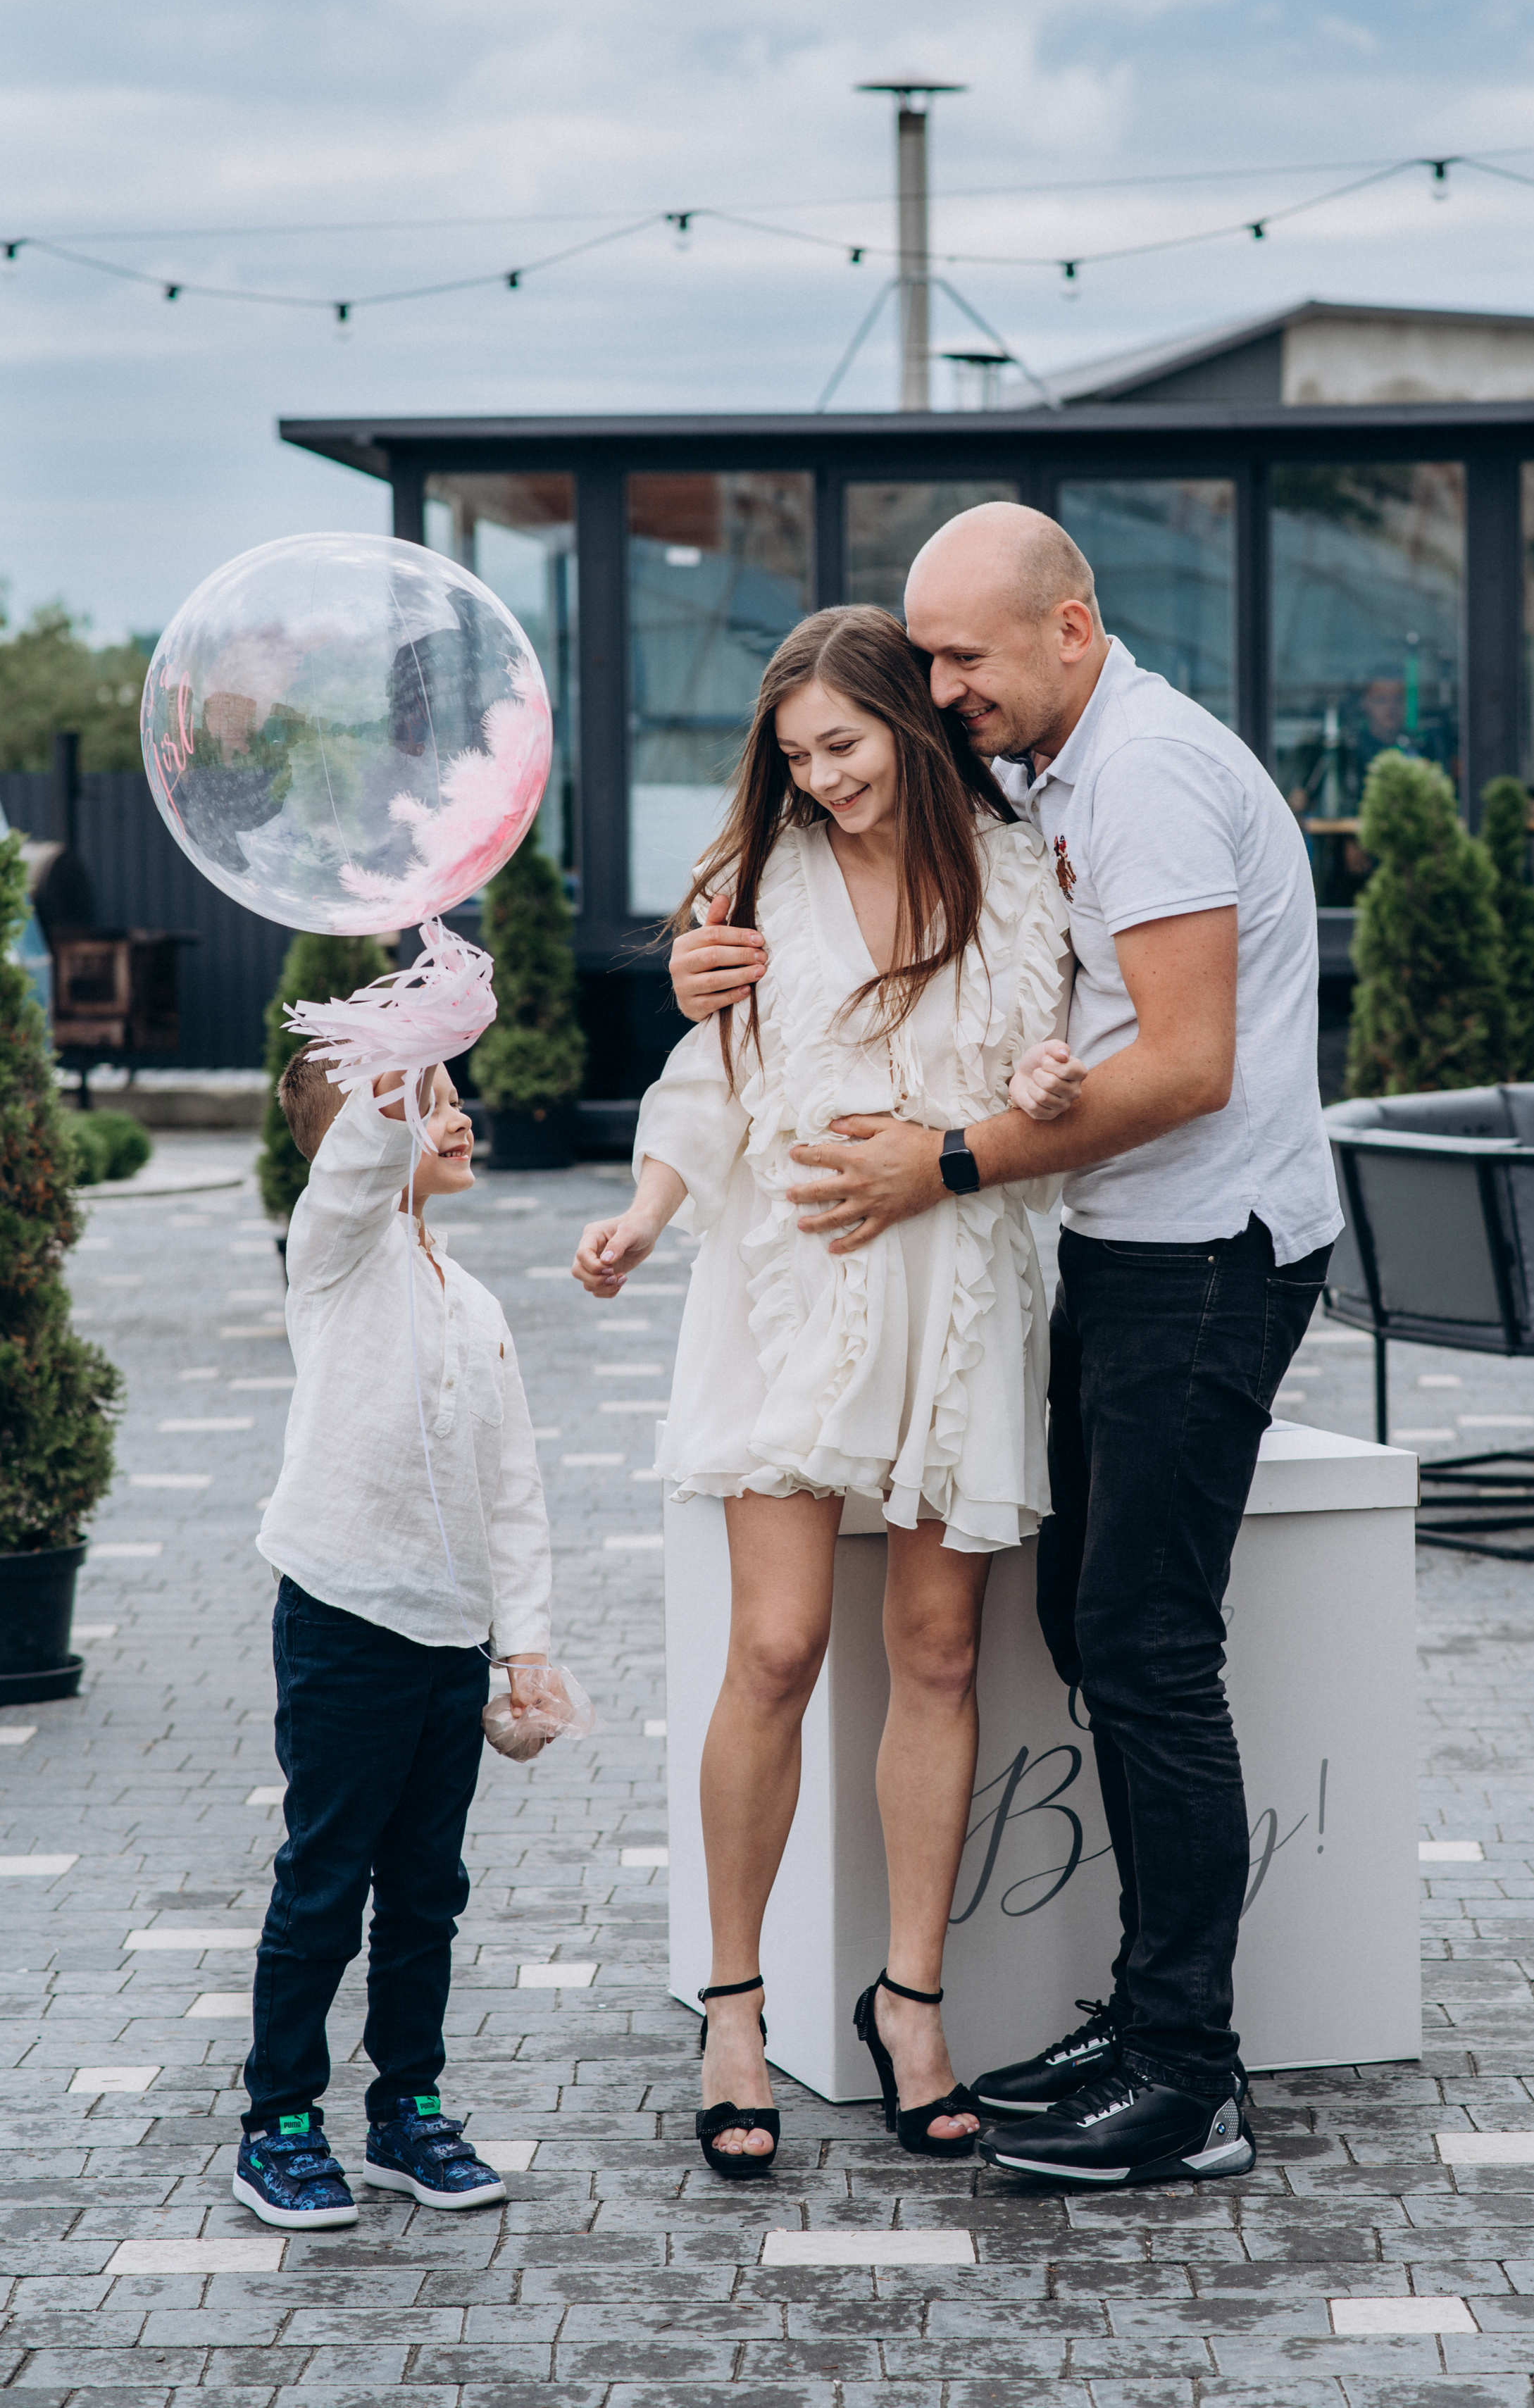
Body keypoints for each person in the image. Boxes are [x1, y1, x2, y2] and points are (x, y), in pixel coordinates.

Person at [669, 505, 1341, 2190]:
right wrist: (702, 971)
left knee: (1143, 1646)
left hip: (1201, 1259)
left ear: (1071, 623)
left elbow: (1183, 1066)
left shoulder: (1143, 778)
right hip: (1106, 1259)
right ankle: (1139, 2018)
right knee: (1098, 1631)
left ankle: (1185, 2073)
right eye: (929, 658)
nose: (940, 684)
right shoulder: (1036, 783)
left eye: (963, 655)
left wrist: (944, 1158)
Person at [571, 604, 1082, 2181]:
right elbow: (705, 1080)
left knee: (935, 1651)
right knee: (777, 1645)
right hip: (788, 1280)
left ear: (912, 728)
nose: (822, 778)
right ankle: (735, 2008)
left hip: (958, 1286)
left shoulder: (1016, 871)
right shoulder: (751, 892)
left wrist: (1048, 1085)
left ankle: (909, 2002)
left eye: (845, 748)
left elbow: (1048, 1053)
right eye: (795, 758)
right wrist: (645, 1216)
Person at [235, 1054, 554, 2230]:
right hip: (342, 1622)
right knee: (325, 1880)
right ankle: (278, 2120)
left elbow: (511, 1486)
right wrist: (393, 1061)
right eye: (429, 1105)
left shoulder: (476, 1303)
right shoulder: (336, 1257)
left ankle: (406, 2110)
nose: (457, 1114)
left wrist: (525, 1647)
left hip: (449, 1640)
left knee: (428, 1892)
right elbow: (356, 1173)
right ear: (357, 1145)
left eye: (459, 1091)